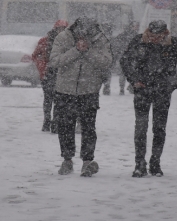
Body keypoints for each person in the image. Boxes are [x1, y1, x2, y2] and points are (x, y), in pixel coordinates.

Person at [120, 20, 177, 177]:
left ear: (165, 34)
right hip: (142, 90)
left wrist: (172, 84)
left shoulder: (174, 44)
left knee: (159, 128)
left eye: (158, 36)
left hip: (163, 91)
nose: (154, 39)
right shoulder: (138, 41)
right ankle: (139, 163)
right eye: (152, 35)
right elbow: (124, 61)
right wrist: (134, 80)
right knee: (141, 127)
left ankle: (155, 162)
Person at [48, 17, 112, 177]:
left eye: (88, 35)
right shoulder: (63, 37)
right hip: (65, 90)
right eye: (81, 35)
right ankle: (67, 160)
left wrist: (88, 51)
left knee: (88, 128)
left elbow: (106, 62)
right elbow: (55, 61)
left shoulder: (100, 39)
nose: (84, 38)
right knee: (65, 127)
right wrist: (76, 50)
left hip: (89, 90)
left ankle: (87, 161)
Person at [32, 20, 68, 132]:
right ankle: (47, 121)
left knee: (59, 99)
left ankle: (55, 122)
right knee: (49, 98)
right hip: (48, 73)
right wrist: (42, 66)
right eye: (59, 28)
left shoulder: (68, 42)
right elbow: (35, 55)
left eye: (63, 29)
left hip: (62, 73)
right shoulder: (45, 41)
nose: (61, 31)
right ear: (55, 29)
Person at [111, 21, 139, 95]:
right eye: (135, 26)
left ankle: (122, 88)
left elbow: (116, 46)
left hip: (124, 56)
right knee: (131, 73)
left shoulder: (122, 35)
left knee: (123, 73)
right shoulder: (136, 36)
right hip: (130, 57)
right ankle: (129, 87)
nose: (136, 28)